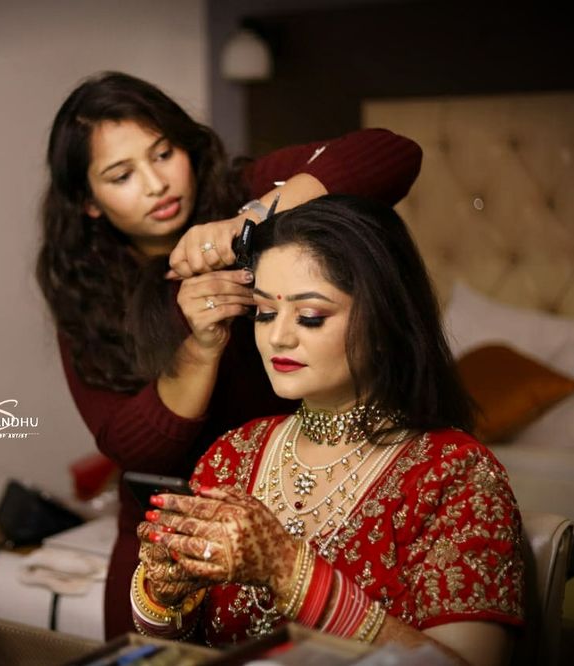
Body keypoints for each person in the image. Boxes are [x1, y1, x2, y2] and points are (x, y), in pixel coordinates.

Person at [35, 71, 423, 639]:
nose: (156, 184)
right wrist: (199, 346)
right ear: (89, 202)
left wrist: (249, 222)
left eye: (163, 153)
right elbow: (128, 446)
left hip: (296, 501)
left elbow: (392, 154)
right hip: (167, 529)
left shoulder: (246, 191)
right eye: (121, 175)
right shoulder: (84, 289)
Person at [133, 195, 524, 666]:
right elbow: (179, 643)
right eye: (264, 313)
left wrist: (289, 571)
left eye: (310, 317)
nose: (278, 337)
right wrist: (163, 596)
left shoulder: (453, 475)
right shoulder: (235, 453)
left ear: (384, 321)